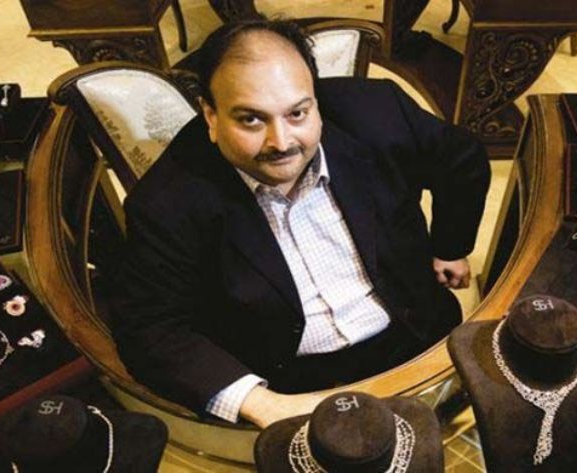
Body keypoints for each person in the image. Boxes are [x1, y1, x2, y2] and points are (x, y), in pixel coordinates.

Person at [111, 17, 490, 428]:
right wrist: (259, 402)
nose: (281, 142)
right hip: (288, 377)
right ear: (211, 116)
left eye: (297, 113)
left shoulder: (379, 112)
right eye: (251, 119)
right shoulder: (165, 201)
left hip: (411, 331)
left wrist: (450, 246)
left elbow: (461, 159)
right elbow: (148, 328)